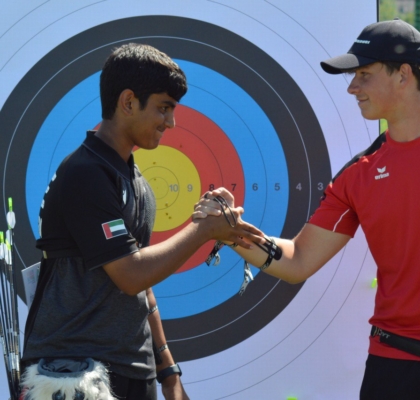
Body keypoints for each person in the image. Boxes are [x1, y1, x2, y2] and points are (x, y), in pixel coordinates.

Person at [196, 19, 420, 399]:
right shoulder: (358, 173)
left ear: (403, 75)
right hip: (391, 363)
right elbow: (298, 260)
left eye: (364, 75)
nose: (352, 87)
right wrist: (230, 231)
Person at [21, 43, 263, 400]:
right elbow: (131, 274)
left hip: (134, 367)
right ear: (129, 102)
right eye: (164, 108)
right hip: (72, 373)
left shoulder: (137, 184)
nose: (171, 122)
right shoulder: (86, 173)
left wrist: (168, 371)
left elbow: (142, 284)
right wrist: (204, 229)